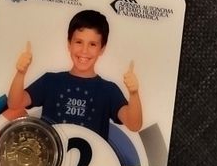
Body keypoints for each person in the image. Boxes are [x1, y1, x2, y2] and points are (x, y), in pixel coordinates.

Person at [8, 10, 142, 142]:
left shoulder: (109, 90)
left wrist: (134, 93)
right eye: (79, 42)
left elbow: (134, 125)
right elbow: (14, 104)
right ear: (69, 44)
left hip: (96, 157)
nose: (84, 51)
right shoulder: (50, 81)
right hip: (53, 155)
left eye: (92, 44)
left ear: (102, 49)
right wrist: (20, 73)